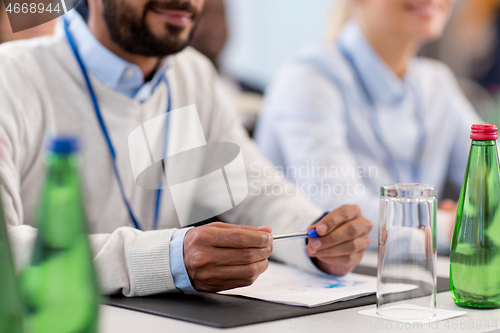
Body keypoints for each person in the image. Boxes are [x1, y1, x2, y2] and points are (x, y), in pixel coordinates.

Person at [0, 0, 372, 296]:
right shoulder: (12, 78)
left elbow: (256, 195)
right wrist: (168, 259)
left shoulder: (192, 75)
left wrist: (318, 238)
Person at [254, 0, 481, 250]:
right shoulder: (309, 79)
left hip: (407, 275)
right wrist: (457, 224)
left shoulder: (436, 83)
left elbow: (491, 171)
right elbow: (341, 215)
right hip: (318, 279)